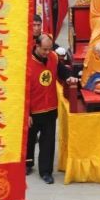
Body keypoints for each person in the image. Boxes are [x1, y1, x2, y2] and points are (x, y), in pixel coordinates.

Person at [26, 33, 77, 183]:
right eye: (44, 50)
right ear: (37, 46)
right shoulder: (27, 63)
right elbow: (23, 90)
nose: (47, 53)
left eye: (49, 49)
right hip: (33, 109)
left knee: (48, 142)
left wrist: (69, 77)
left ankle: (46, 171)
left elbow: (62, 70)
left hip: (50, 107)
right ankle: (27, 163)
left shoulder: (53, 57)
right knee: (29, 139)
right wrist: (26, 113)